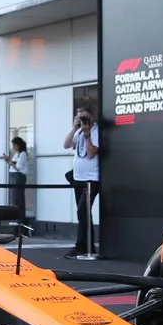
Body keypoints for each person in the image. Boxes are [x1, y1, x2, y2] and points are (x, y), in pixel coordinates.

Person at [63, 106, 106, 258]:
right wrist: (75, 127)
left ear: (92, 117)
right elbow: (66, 145)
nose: (83, 121)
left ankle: (81, 246)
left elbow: (91, 153)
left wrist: (87, 135)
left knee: (82, 212)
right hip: (78, 178)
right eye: (80, 118)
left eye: (85, 118)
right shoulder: (78, 131)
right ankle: (89, 246)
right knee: (84, 214)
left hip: (91, 179)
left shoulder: (96, 131)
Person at [0, 136, 29, 222]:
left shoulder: (22, 154)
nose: (14, 147)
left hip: (19, 177)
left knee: (18, 198)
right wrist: (9, 161)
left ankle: (19, 219)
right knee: (14, 198)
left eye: (15, 145)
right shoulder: (17, 154)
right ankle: (15, 217)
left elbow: (18, 167)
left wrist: (9, 161)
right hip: (13, 176)